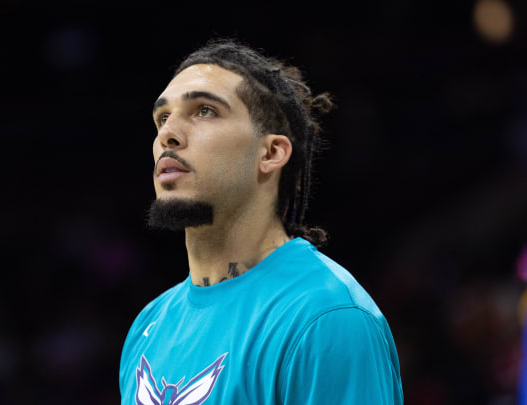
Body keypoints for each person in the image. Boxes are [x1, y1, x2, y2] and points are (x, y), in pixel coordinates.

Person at [119, 39, 403, 404]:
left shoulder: (325, 316)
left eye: (204, 110)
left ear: (270, 152)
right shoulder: (149, 325)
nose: (167, 134)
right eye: (162, 117)